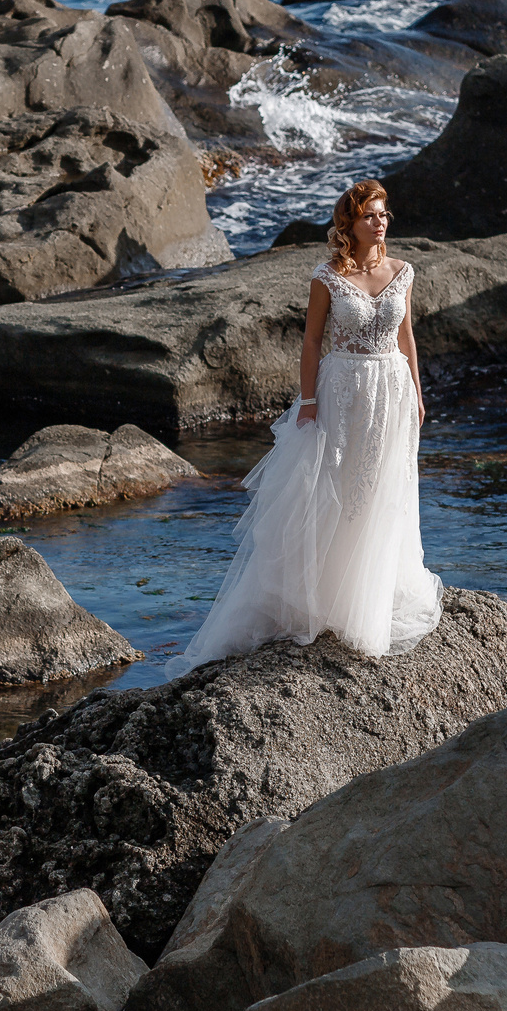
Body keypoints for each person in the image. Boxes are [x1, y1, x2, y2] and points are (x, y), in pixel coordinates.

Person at [171, 179, 443, 672]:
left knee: (382, 488)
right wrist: (311, 400)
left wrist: (419, 395)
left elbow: (408, 338)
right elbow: (313, 343)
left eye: (384, 215)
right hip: (342, 390)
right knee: (337, 488)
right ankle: (323, 600)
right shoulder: (327, 276)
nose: (379, 223)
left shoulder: (403, 272)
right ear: (350, 224)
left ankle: (370, 596)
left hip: (392, 390)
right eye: (370, 216)